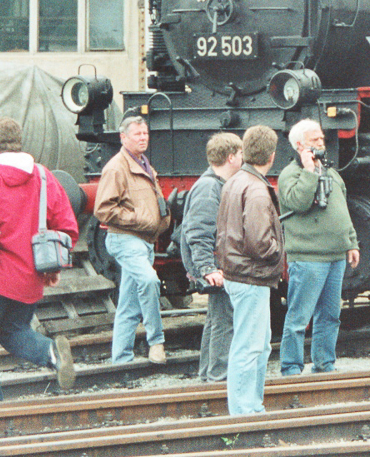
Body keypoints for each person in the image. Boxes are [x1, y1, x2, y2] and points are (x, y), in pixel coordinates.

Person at [0, 117, 79, 402]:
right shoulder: (44, 176)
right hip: (29, 279)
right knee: (13, 332)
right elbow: (67, 226)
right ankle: (50, 352)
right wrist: (53, 266)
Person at [278, 119, 360, 375]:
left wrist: (352, 242)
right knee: (299, 318)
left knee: (330, 315)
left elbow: (342, 211)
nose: (322, 143)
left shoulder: (332, 173)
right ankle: (291, 368)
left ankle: (325, 364)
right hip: (308, 257)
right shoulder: (290, 175)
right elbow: (299, 203)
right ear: (299, 145)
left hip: (335, 256)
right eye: (315, 140)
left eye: (322, 139)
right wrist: (308, 171)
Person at [216, 125, 282, 416]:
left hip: (240, 273)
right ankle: (244, 411)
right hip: (252, 275)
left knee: (256, 344)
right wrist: (278, 252)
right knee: (250, 346)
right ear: (271, 155)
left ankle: (251, 406)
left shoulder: (236, 180)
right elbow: (259, 242)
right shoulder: (256, 189)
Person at [94, 114, 171, 364]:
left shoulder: (144, 164)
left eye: (145, 134)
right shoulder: (116, 168)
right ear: (123, 137)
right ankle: (156, 342)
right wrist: (140, 219)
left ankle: (121, 359)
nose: (143, 138)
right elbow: (103, 209)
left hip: (144, 241)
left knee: (128, 305)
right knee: (149, 281)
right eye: (137, 134)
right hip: (126, 239)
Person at [178, 131, 243, 382]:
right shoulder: (208, 189)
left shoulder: (214, 185)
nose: (243, 158)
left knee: (217, 319)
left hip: (218, 265)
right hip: (217, 267)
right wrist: (208, 267)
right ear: (230, 158)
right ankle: (218, 376)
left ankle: (208, 374)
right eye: (240, 154)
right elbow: (198, 232)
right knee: (224, 321)